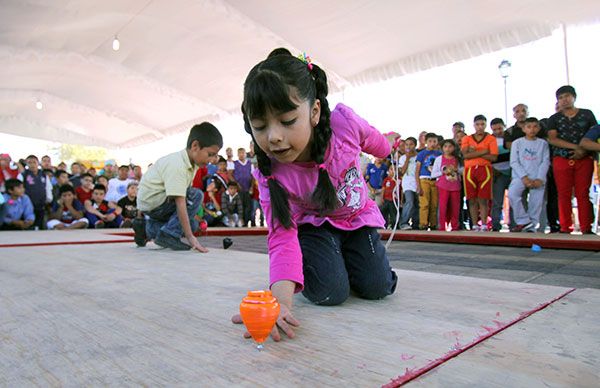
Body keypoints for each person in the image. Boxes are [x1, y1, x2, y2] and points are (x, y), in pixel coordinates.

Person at [232, 50, 398, 342]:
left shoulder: (344, 123)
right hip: (315, 227)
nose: (273, 137)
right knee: (330, 293)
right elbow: (282, 236)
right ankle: (329, 260)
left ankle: (348, 259)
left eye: (286, 121)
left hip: (357, 220)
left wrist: (387, 148)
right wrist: (280, 303)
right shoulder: (271, 173)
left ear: (315, 111)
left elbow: (373, 138)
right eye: (260, 127)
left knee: (378, 288)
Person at [134, 122, 222, 251]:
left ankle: (146, 229)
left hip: (158, 204)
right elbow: (181, 202)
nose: (213, 159)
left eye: (216, 155)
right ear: (195, 146)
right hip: (154, 205)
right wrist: (191, 238)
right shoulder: (177, 164)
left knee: (192, 224)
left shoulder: (192, 164)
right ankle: (168, 234)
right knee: (197, 195)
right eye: (210, 154)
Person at [547, 85, 597, 234]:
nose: (564, 100)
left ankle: (586, 227)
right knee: (563, 193)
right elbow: (553, 139)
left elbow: (594, 134)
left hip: (585, 158)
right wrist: (577, 147)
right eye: (560, 98)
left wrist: (584, 150)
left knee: (583, 193)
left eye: (567, 96)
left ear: (574, 97)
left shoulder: (587, 114)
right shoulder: (554, 118)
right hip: (561, 159)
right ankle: (565, 227)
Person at [508, 118, 550, 232]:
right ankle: (523, 220)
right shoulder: (517, 143)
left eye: (535, 126)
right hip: (520, 176)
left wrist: (540, 178)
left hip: (538, 176)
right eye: (529, 127)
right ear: (524, 128)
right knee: (512, 194)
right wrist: (524, 177)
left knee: (536, 202)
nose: (532, 129)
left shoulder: (543, 143)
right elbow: (514, 162)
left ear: (539, 128)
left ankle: (533, 225)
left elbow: (545, 162)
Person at [461, 115, 498, 231]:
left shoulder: (491, 138)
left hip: (485, 169)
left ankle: (484, 224)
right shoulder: (467, 138)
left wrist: (474, 152)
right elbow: (465, 155)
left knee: (483, 198)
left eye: (482, 124)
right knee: (471, 198)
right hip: (469, 170)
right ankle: (475, 224)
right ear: (474, 125)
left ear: (486, 125)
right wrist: (484, 151)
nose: (480, 127)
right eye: (477, 124)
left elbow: (493, 157)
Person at [431, 139, 462, 231]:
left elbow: (463, 170)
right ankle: (442, 226)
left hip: (455, 186)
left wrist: (456, 170)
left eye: (450, 146)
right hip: (442, 186)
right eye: (445, 146)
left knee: (455, 207)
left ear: (454, 148)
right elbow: (433, 174)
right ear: (442, 148)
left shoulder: (457, 159)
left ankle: (455, 226)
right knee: (442, 206)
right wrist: (443, 171)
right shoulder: (439, 159)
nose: (447, 149)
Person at [490, 118, 512, 231]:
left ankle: (514, 225)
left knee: (514, 200)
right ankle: (495, 225)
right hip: (497, 174)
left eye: (500, 128)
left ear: (504, 126)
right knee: (497, 202)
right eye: (495, 129)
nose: (498, 131)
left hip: (512, 173)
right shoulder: (489, 140)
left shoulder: (510, 138)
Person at [415, 133, 441, 230]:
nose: (432, 143)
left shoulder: (439, 154)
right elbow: (417, 170)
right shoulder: (421, 154)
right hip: (424, 180)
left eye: (434, 141)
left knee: (434, 204)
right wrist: (418, 185)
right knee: (424, 203)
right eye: (430, 141)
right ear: (425, 142)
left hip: (435, 180)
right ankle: (423, 224)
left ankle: (433, 224)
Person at [19, 155, 52, 229]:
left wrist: (48, 199)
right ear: (27, 164)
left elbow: (48, 188)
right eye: (29, 162)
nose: (32, 164)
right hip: (27, 205)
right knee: (28, 225)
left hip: (41, 204)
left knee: (39, 225)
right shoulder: (23, 175)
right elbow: (19, 190)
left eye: (34, 162)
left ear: (38, 163)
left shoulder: (44, 175)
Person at [399, 137, 419, 230]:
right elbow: (402, 171)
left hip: (418, 183)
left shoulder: (419, 156)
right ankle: (403, 222)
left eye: (411, 144)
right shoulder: (403, 158)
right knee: (409, 202)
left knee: (417, 204)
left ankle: (416, 224)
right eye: (406, 144)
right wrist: (407, 158)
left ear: (415, 145)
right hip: (407, 184)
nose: (408, 146)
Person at [233, 147, 253, 226]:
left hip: (247, 188)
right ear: (237, 155)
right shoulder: (235, 163)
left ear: (245, 154)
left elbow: (252, 176)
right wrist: (237, 184)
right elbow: (231, 175)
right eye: (240, 153)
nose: (241, 155)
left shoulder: (249, 163)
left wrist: (251, 187)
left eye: (243, 153)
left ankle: (246, 221)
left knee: (248, 206)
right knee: (240, 206)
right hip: (238, 189)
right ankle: (240, 222)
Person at [380, 164, 398, 229]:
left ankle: (394, 226)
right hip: (386, 199)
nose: (393, 171)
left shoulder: (398, 180)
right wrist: (382, 198)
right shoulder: (386, 179)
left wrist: (400, 200)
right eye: (391, 169)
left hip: (393, 200)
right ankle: (384, 225)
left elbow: (400, 191)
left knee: (393, 213)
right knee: (383, 212)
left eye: (394, 169)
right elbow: (383, 189)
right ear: (388, 171)